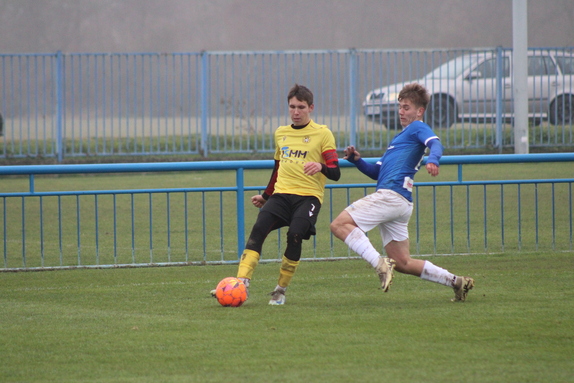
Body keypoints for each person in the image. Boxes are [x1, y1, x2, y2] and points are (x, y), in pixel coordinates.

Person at [330, 83, 474, 302]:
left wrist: (433, 160)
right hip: (400, 203)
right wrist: (357, 161)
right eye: (400, 107)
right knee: (403, 263)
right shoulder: (399, 138)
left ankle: (379, 264)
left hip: (391, 196)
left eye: (406, 107)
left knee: (339, 225)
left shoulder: (418, 128)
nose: (401, 111)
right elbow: (377, 172)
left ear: (419, 111)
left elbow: (435, 143)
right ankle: (457, 282)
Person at [235, 84, 340, 305]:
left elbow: (336, 172)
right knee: (258, 229)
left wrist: (321, 167)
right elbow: (277, 169)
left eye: (301, 107)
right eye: (292, 107)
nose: (296, 111)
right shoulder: (281, 133)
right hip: (281, 195)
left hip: (308, 197)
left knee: (295, 234)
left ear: (311, 107)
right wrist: (266, 195)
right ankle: (240, 283)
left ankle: (280, 289)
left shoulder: (323, 133)